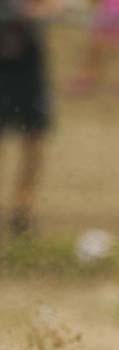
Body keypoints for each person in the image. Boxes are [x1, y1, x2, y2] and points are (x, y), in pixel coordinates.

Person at [0, 0, 58, 237]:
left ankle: (22, 208)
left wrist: (35, 11)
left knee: (35, 138)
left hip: (29, 66)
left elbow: (56, 5)